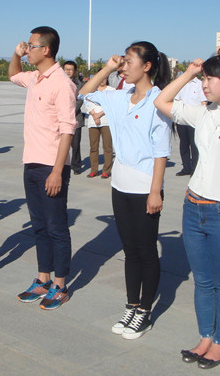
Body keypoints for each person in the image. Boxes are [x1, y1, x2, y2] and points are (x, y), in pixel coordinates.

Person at [154, 55, 220, 369]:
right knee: (202, 281)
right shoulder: (204, 112)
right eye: (202, 79)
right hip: (193, 207)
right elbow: (162, 101)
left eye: (209, 78)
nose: (203, 85)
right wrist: (189, 73)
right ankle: (205, 337)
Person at [79, 41, 172, 339]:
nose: (124, 67)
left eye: (130, 61)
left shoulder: (158, 100)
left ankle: (145, 310)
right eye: (123, 61)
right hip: (120, 184)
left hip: (145, 186)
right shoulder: (120, 96)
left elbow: (161, 152)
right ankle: (131, 305)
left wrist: (155, 191)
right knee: (130, 251)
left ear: (147, 66)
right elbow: (83, 93)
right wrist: (107, 67)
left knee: (146, 251)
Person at [9, 26, 77, 310]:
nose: (28, 50)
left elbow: (67, 130)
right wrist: (16, 54)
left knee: (56, 227)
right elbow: (13, 74)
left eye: (32, 46)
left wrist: (57, 172)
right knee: (39, 226)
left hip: (51, 165)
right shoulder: (34, 77)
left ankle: (60, 285)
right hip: (32, 162)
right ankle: (43, 279)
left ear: (46, 50)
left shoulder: (62, 83)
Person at [174, 76, 206, 176]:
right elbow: (177, 100)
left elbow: (203, 102)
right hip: (182, 119)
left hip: (194, 120)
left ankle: (194, 169)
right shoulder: (181, 84)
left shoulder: (199, 84)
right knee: (183, 144)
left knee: (194, 144)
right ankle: (186, 168)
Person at [82, 76, 114, 178]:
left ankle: (106, 170)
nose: (102, 80)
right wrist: (94, 114)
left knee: (107, 147)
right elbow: (87, 102)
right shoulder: (92, 90)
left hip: (106, 121)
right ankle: (94, 170)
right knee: (93, 147)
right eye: (100, 78)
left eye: (104, 78)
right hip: (93, 122)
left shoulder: (111, 90)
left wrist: (99, 114)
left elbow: (111, 104)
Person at [63, 61, 85, 175]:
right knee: (61, 145)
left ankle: (76, 166)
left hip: (76, 118)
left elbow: (80, 100)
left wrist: (69, 111)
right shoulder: (58, 82)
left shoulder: (79, 84)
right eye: (66, 69)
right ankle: (62, 164)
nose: (68, 71)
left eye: (70, 69)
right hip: (61, 119)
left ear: (75, 71)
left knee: (75, 145)